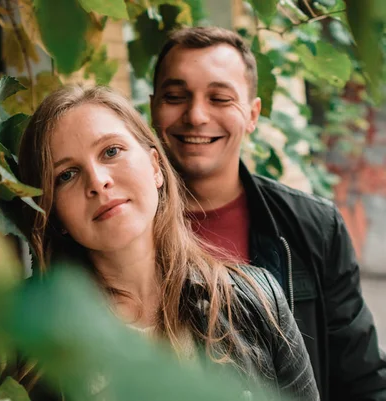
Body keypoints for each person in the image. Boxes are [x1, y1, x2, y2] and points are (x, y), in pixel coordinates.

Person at [17, 85, 319, 400]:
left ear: (155, 166)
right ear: (52, 214)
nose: (97, 181)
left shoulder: (257, 300)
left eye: (111, 151)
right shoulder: (29, 338)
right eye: (66, 175)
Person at [149, 26, 386, 401]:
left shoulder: (314, 228)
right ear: (153, 107)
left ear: (252, 114)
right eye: (176, 96)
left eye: (220, 98)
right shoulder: (125, 227)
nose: (195, 115)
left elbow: (362, 378)